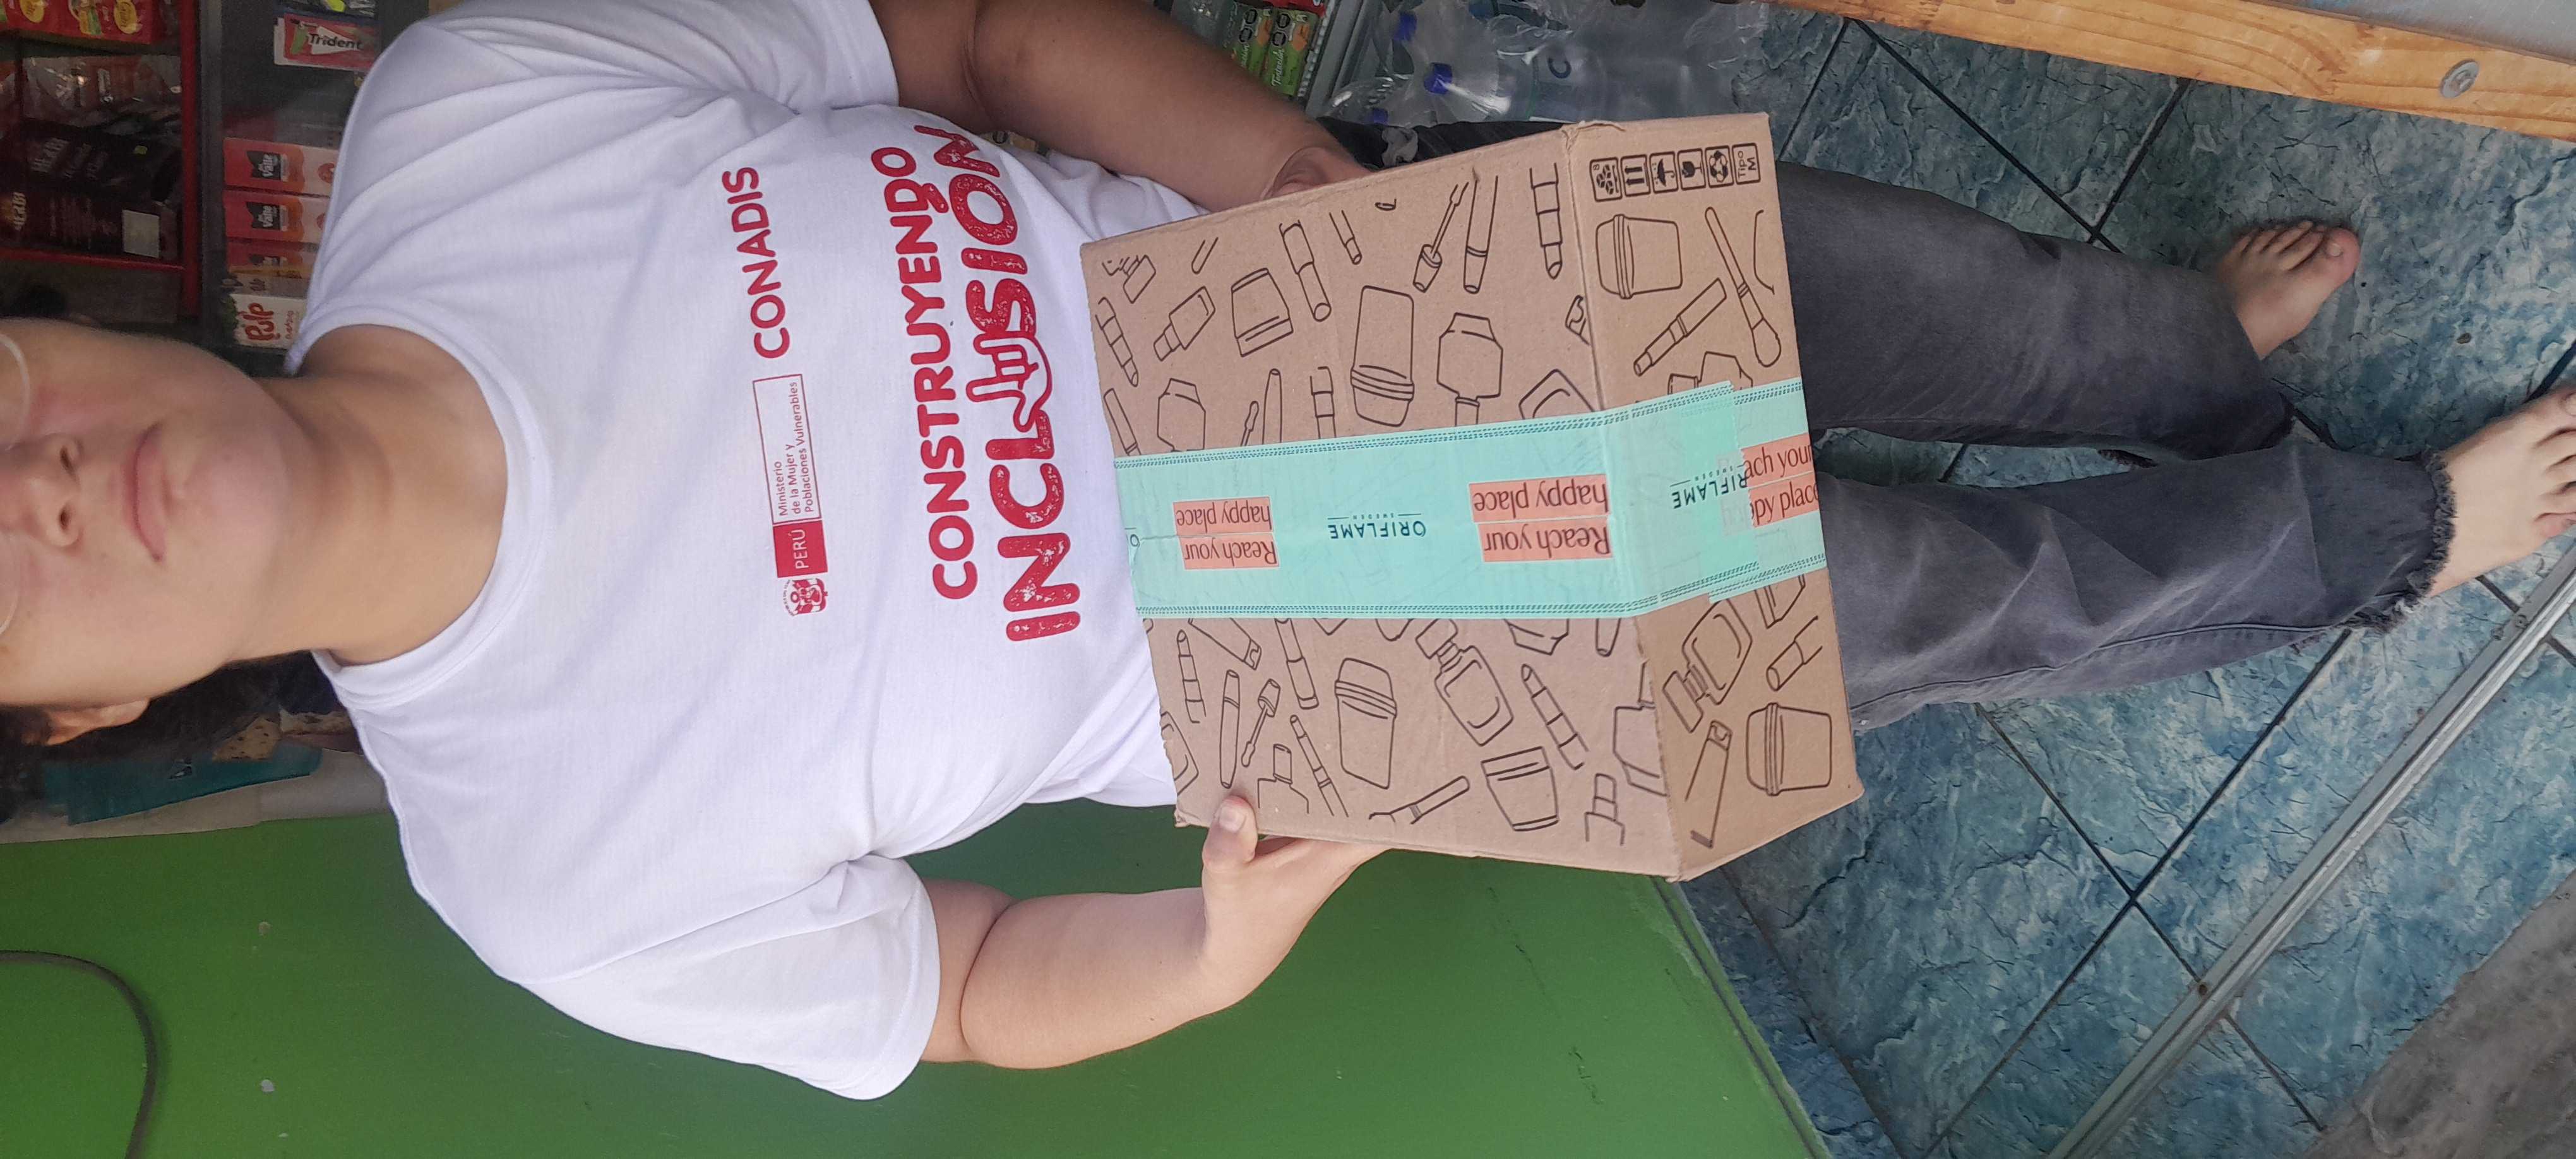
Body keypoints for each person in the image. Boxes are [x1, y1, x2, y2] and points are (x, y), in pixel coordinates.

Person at [6, 0, 2571, 1099]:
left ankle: (2181, 354)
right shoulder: (541, 873)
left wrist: (1289, 184)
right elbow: (955, 986)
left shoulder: (464, 115)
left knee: (1912, 291)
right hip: (1377, 645)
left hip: (1334, 270)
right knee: (1957, 598)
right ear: (80, 715)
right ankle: (2379, 542)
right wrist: (1216, 953)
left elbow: (968, 37)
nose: (38, 488)